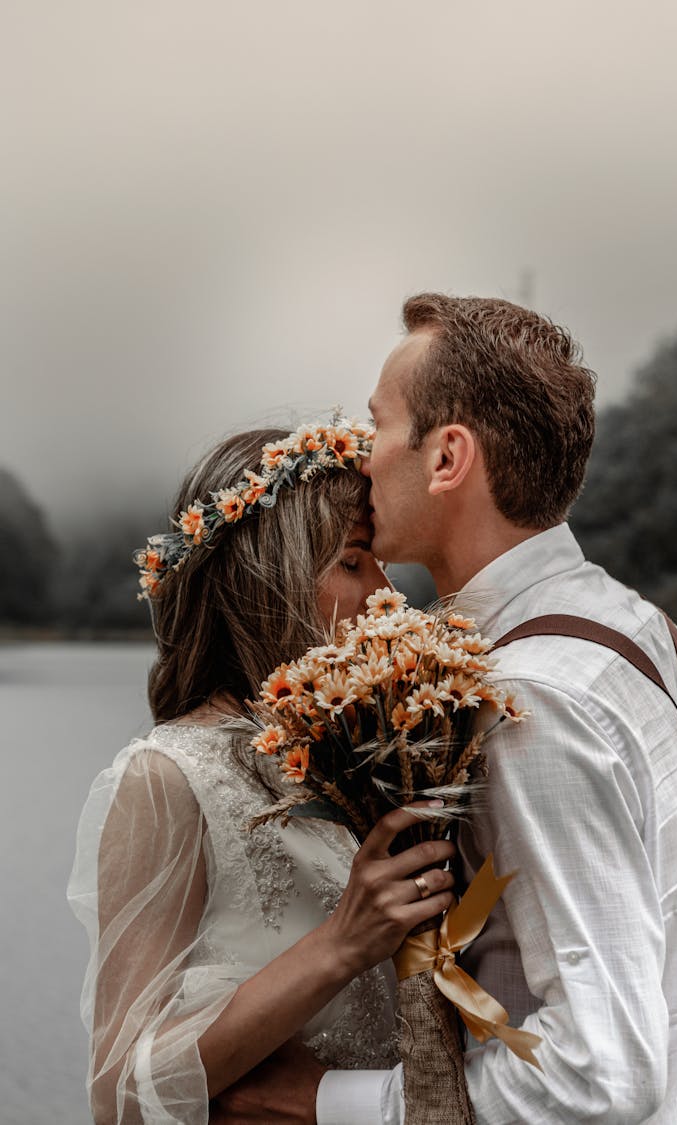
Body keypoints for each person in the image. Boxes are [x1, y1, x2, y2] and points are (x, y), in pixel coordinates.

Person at [234, 298, 677, 1124]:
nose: (361, 457)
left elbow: (599, 1076)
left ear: (447, 457)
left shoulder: (533, 698)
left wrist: (328, 1103)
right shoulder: (650, 634)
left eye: (378, 424)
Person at [67, 420, 458, 1125]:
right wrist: (339, 944)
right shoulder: (170, 776)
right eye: (354, 561)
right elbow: (117, 1094)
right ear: (269, 579)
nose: (388, 595)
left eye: (382, 565)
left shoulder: (363, 762)